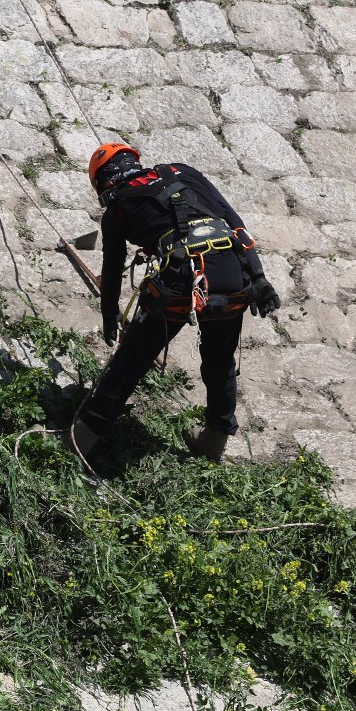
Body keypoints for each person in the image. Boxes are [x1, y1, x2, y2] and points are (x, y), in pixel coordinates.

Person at [66, 143, 280, 469]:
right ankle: (213, 442)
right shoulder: (182, 171)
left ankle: (78, 444)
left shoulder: (117, 209)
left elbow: (112, 268)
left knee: (129, 363)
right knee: (220, 360)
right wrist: (259, 276)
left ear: (102, 182)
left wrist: (110, 314)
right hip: (231, 273)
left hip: (180, 279)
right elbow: (232, 219)